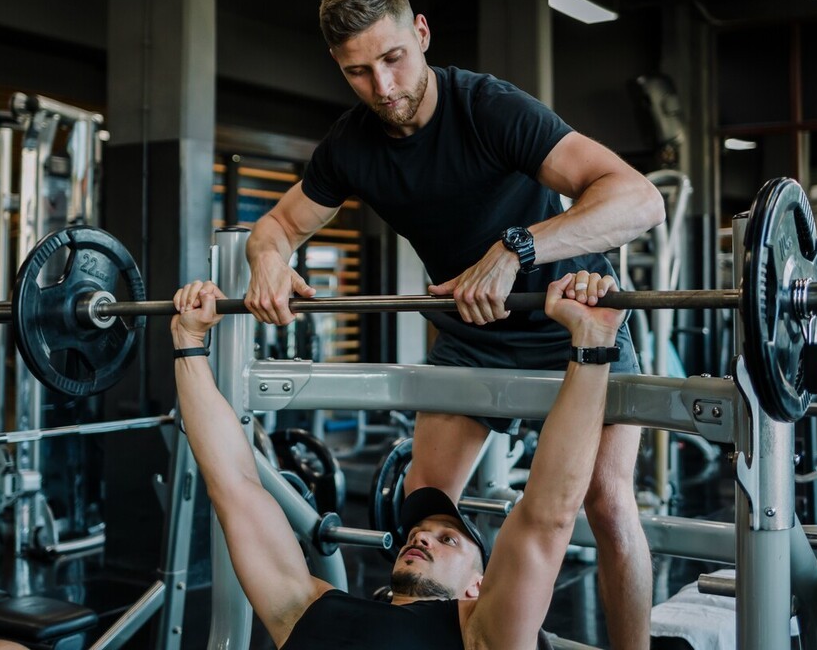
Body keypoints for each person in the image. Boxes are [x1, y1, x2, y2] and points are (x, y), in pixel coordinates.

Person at [244, 0, 665, 648]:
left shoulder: (487, 108)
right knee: (424, 508)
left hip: (577, 321)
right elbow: (278, 227)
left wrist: (518, 248)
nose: (383, 88)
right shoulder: (350, 144)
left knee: (608, 507)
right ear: (336, 65)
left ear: (420, 33)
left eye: (393, 59)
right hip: (472, 335)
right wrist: (268, 259)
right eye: (357, 72)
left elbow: (639, 199)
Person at [175, 272, 627, 649]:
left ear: (478, 585)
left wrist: (592, 344)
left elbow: (548, 514)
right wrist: (188, 342)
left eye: (447, 540)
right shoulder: (304, 608)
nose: (423, 538)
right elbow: (233, 486)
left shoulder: (484, 634)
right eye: (418, 532)